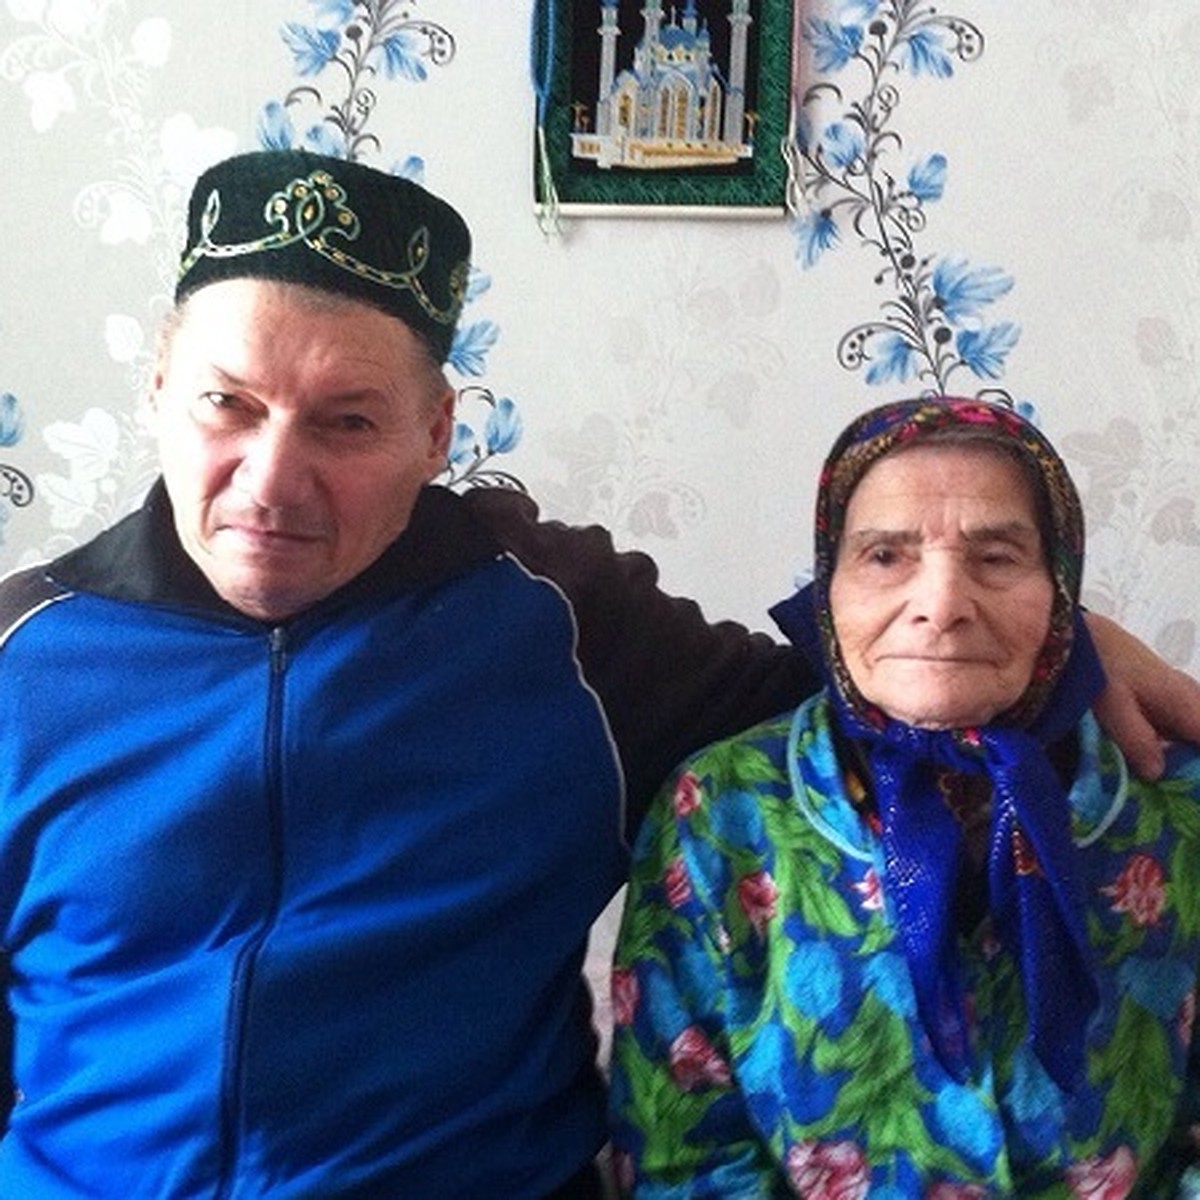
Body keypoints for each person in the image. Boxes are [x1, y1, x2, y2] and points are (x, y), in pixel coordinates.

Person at [0, 152, 1194, 1198]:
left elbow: (867, 689)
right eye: (228, 404)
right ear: (159, 388)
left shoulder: (563, 620)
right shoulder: (23, 657)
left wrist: (1056, 639)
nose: (271, 480)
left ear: (436, 433)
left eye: (347, 422)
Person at [608, 397, 1200, 1197]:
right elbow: (682, 1153)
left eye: (997, 557)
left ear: (1062, 593)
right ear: (828, 591)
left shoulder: (1173, 800)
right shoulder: (722, 813)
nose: (942, 604)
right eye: (885, 555)